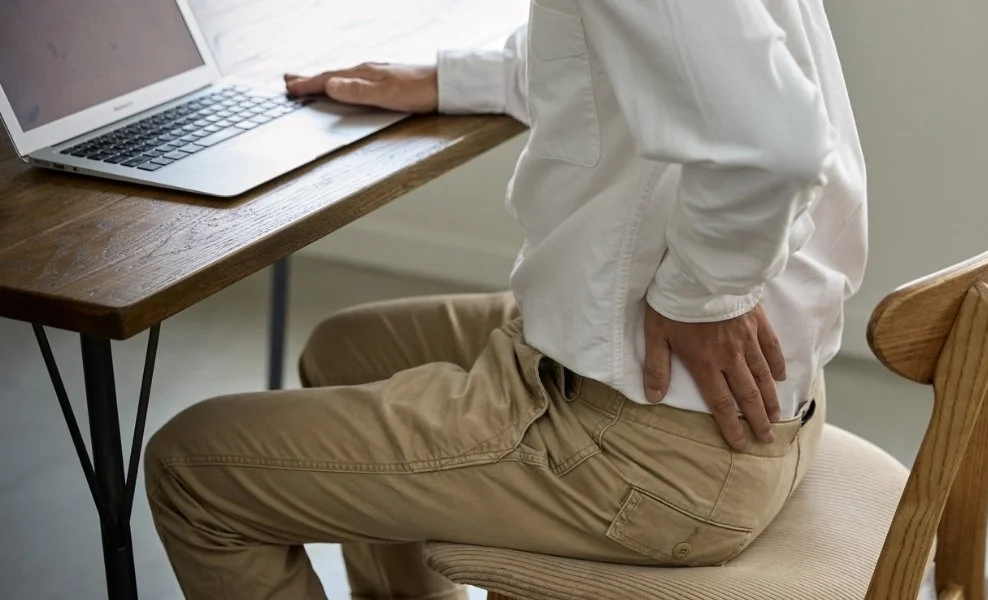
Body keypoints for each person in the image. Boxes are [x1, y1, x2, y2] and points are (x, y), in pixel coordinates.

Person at [144, 0, 867, 598]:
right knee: (345, 351)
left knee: (192, 472)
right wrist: (457, 78)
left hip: (656, 446)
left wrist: (702, 295)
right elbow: (630, 53)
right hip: (740, 404)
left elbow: (776, 144)